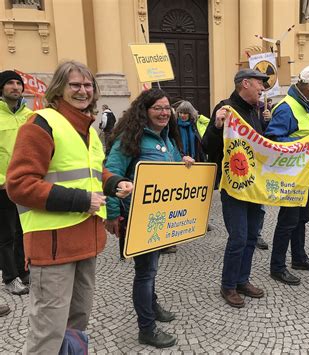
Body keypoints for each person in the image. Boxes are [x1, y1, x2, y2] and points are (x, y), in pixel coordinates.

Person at [6, 61, 133, 354]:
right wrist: (80, 201)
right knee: (48, 331)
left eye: (88, 85)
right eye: (75, 85)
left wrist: (114, 183)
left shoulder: (86, 126)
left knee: (77, 321)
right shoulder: (41, 123)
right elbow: (19, 184)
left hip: (86, 242)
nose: (82, 90)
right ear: (59, 89)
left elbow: (93, 171)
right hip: (52, 246)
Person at [105, 88, 194, 349]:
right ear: (144, 111)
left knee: (152, 268)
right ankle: (147, 328)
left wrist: (185, 163)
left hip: (160, 215)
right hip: (137, 216)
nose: (165, 112)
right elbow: (110, 174)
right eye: (158, 108)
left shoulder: (167, 139)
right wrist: (111, 213)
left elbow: (174, 174)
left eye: (167, 108)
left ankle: (152, 306)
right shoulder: (129, 138)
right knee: (144, 273)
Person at [202, 68, 269, 308]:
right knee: (239, 236)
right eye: (260, 84)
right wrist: (217, 126)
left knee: (252, 235)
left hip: (254, 186)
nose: (263, 88)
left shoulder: (256, 111)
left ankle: (243, 280)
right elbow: (207, 146)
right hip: (233, 185)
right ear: (245, 83)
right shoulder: (225, 108)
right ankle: (228, 285)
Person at [265, 65, 309, 285]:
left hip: (306, 179)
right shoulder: (287, 108)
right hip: (293, 179)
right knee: (287, 221)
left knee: (302, 219)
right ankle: (277, 266)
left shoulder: (308, 106)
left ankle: (299, 258)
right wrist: (302, 145)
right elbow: (273, 140)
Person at [0, 70, 31, 296]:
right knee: (6, 234)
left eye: (18, 83)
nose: (15, 87)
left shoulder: (30, 115)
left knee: (24, 230)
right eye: (10, 83)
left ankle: (23, 270)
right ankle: (10, 277)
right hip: (3, 186)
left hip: (27, 184)